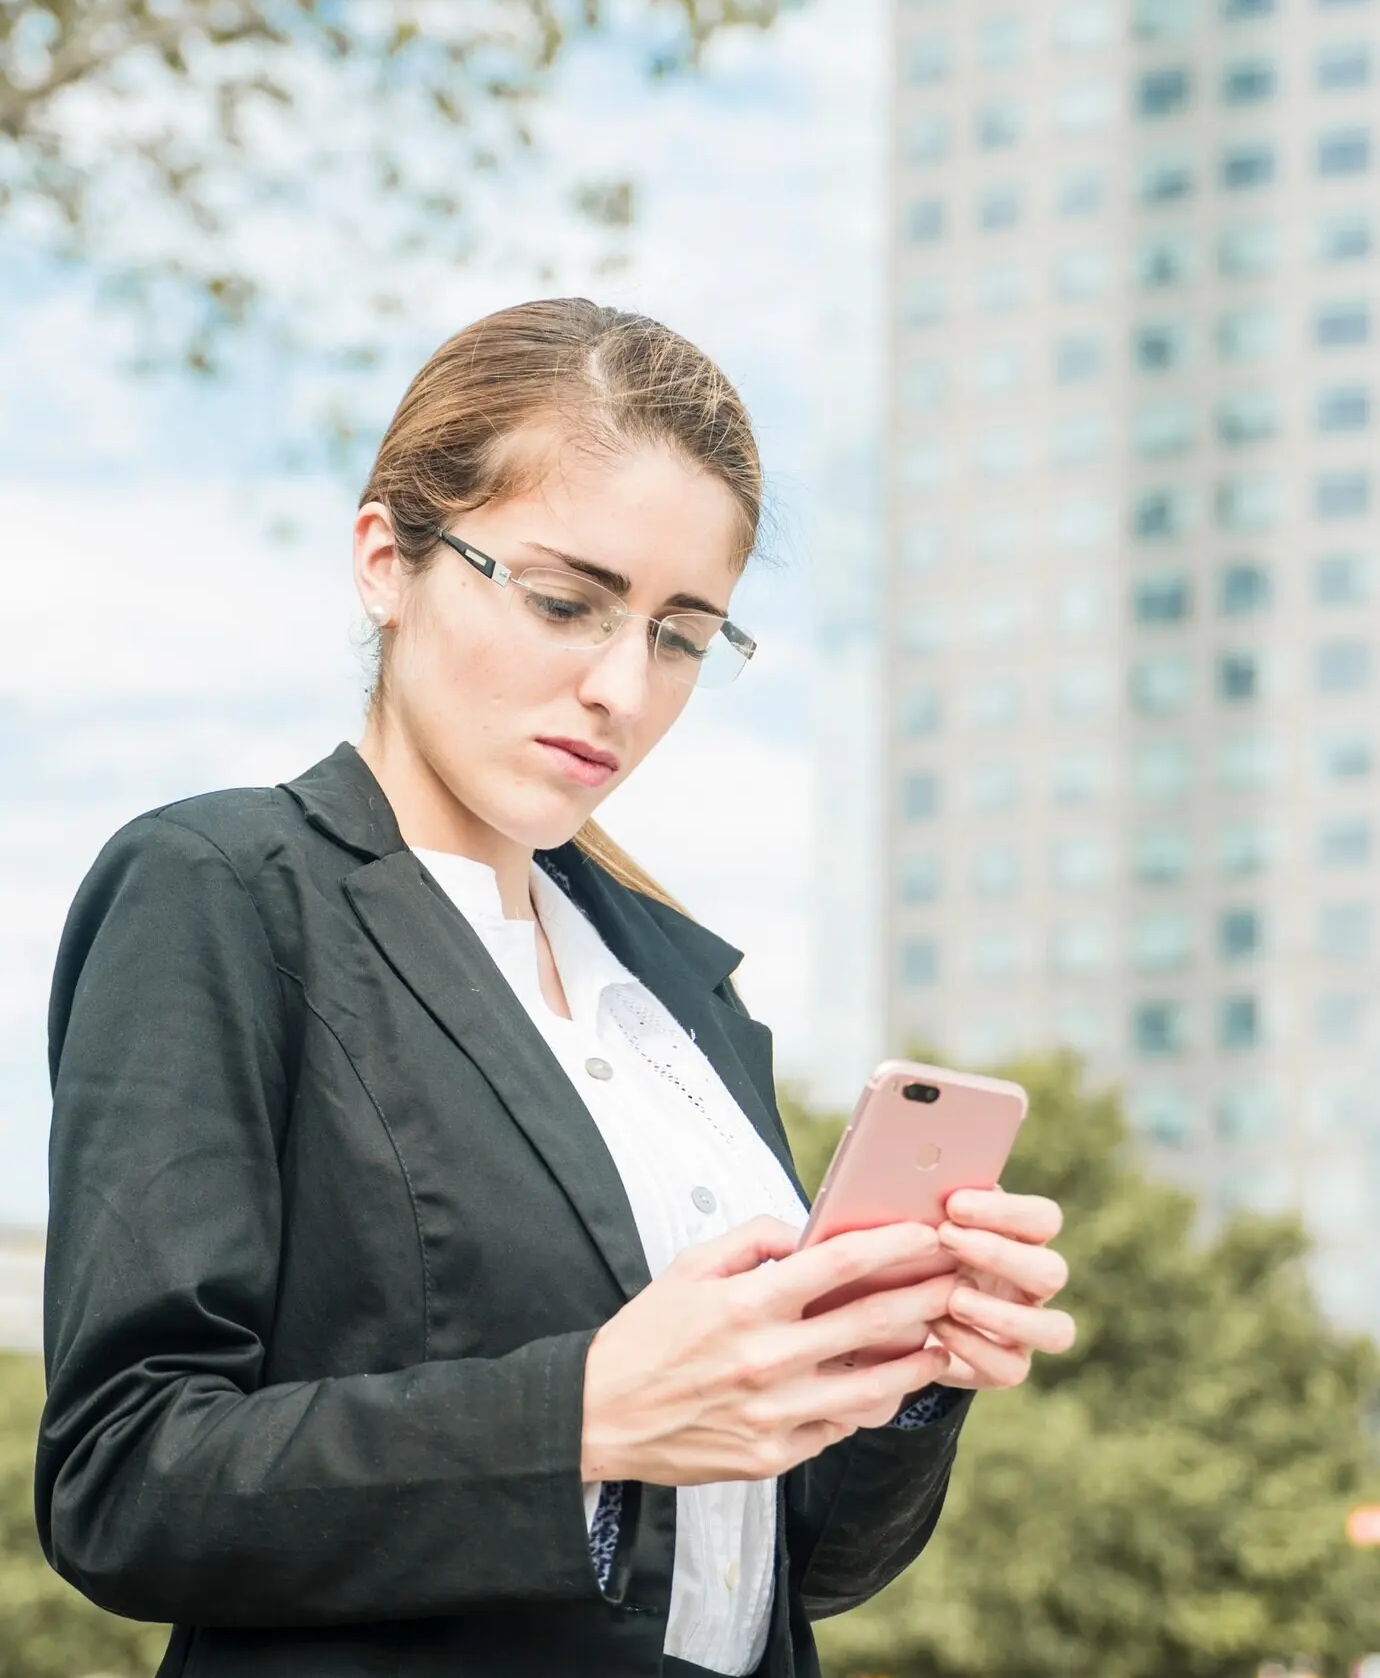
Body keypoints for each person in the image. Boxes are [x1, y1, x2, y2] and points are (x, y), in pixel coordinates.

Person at [36, 300, 1075, 1678]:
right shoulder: (224, 890)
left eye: (684, 635)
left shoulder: (682, 992)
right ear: (383, 560)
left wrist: (903, 1376)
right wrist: (583, 1416)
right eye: (566, 602)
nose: (621, 689)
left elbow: (796, 1573)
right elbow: (122, 1481)